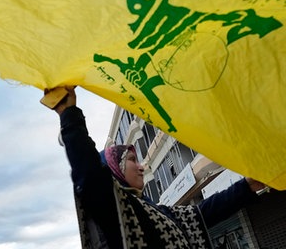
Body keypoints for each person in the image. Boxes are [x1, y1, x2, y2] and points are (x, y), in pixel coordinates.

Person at [47, 86, 266, 249]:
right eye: (131, 160)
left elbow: (202, 212)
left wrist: (247, 186)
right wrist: (69, 114)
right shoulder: (115, 215)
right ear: (114, 170)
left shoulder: (156, 213)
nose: (141, 167)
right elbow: (90, 175)